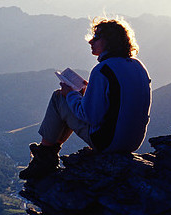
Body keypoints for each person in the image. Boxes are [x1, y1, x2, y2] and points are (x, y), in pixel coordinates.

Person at [19, 17, 152, 180]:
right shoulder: (138, 66)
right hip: (133, 141)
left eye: (96, 37)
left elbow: (89, 116)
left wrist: (71, 94)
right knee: (71, 99)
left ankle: (44, 157)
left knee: (58, 98)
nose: (91, 41)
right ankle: (48, 153)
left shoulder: (103, 69)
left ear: (110, 41)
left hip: (108, 142)